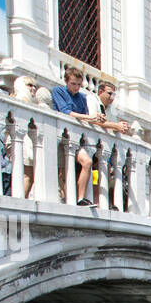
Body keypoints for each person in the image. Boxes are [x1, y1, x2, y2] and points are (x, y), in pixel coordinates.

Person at [49, 66, 99, 204]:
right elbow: (66, 112)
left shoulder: (82, 98)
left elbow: (84, 116)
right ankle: (66, 199)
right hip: (61, 137)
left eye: (78, 84)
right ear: (66, 81)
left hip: (76, 140)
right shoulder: (58, 91)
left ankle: (80, 198)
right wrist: (89, 118)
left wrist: (92, 118)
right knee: (62, 171)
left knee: (87, 162)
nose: (76, 87)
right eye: (73, 84)